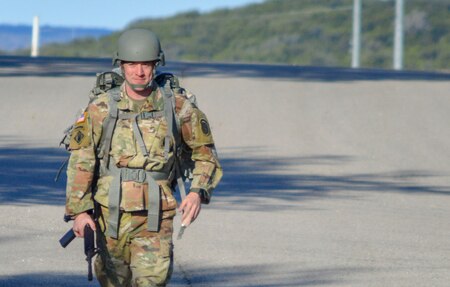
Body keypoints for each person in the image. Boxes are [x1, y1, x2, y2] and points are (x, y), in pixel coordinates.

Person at [64, 28, 222, 286]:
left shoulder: (178, 107)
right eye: (132, 64)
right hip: (109, 217)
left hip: (156, 216)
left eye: (146, 64)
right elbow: (81, 162)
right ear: (121, 65)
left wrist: (197, 191)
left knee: (152, 282)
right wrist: (80, 212)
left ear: (156, 64)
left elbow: (206, 155)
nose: (139, 71)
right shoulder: (101, 108)